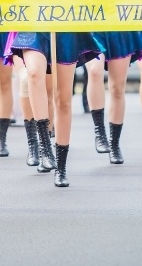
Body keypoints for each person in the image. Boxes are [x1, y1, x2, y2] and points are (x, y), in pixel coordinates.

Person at [10, 32, 99, 187]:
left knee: (63, 100)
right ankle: (44, 146)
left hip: (65, 29)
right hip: (33, 25)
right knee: (34, 73)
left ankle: (61, 168)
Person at [86, 32, 142, 164]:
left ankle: (115, 144)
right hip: (93, 25)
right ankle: (99, 131)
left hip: (119, 27)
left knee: (117, 87)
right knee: (95, 71)